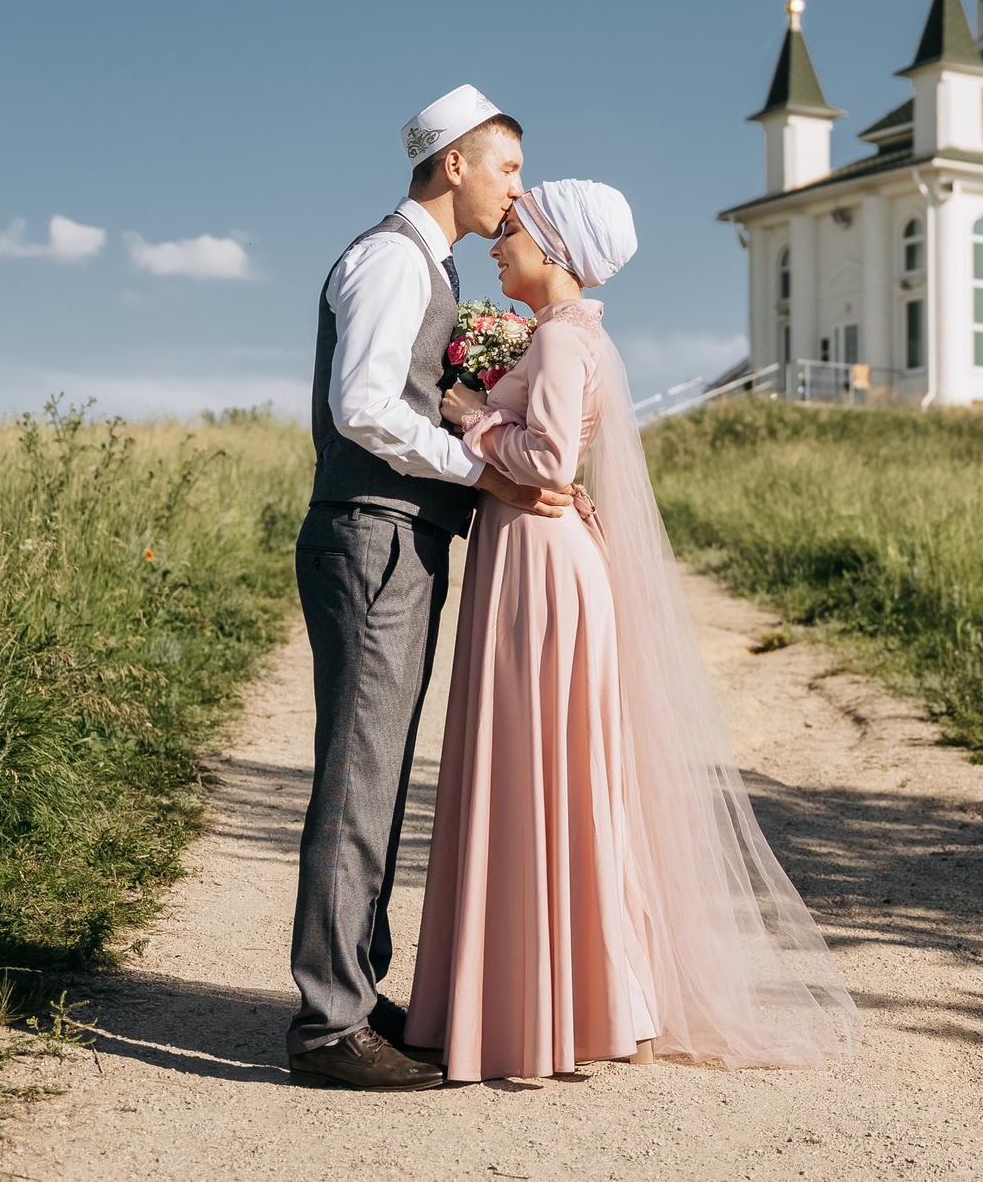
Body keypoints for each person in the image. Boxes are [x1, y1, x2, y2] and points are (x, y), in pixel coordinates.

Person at [407, 178, 859, 1083]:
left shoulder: (566, 341)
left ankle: (553, 1006)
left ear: (557, 250)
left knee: (541, 773)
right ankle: (552, 997)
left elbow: (543, 459)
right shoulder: (568, 338)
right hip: (532, 549)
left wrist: (467, 417)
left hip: (540, 558)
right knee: (545, 774)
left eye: (515, 234)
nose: (499, 245)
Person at [286, 85, 574, 1093]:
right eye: (506, 168)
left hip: (395, 540)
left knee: (379, 772)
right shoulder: (387, 260)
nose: (516, 190)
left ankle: (357, 996)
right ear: (454, 163)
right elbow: (363, 406)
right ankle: (328, 1027)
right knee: (358, 778)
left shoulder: (428, 266)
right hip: (372, 535)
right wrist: (482, 471)